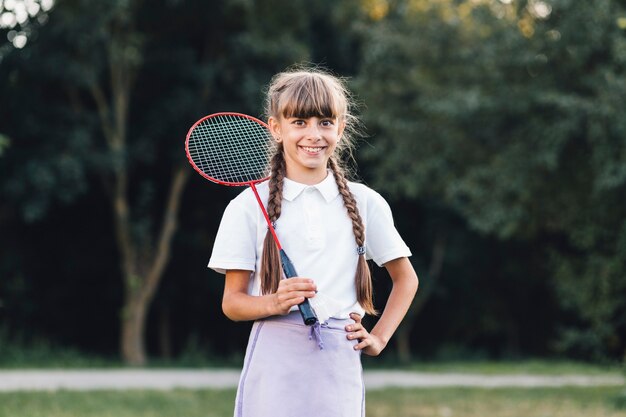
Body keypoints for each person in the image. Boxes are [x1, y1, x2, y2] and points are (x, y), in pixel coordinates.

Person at [208, 66, 419, 417]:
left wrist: (379, 338)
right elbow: (232, 303)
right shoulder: (247, 206)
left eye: (324, 122)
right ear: (276, 128)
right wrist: (275, 302)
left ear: (341, 127)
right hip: (274, 359)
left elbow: (406, 278)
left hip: (338, 358)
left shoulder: (365, 201)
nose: (313, 134)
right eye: (299, 122)